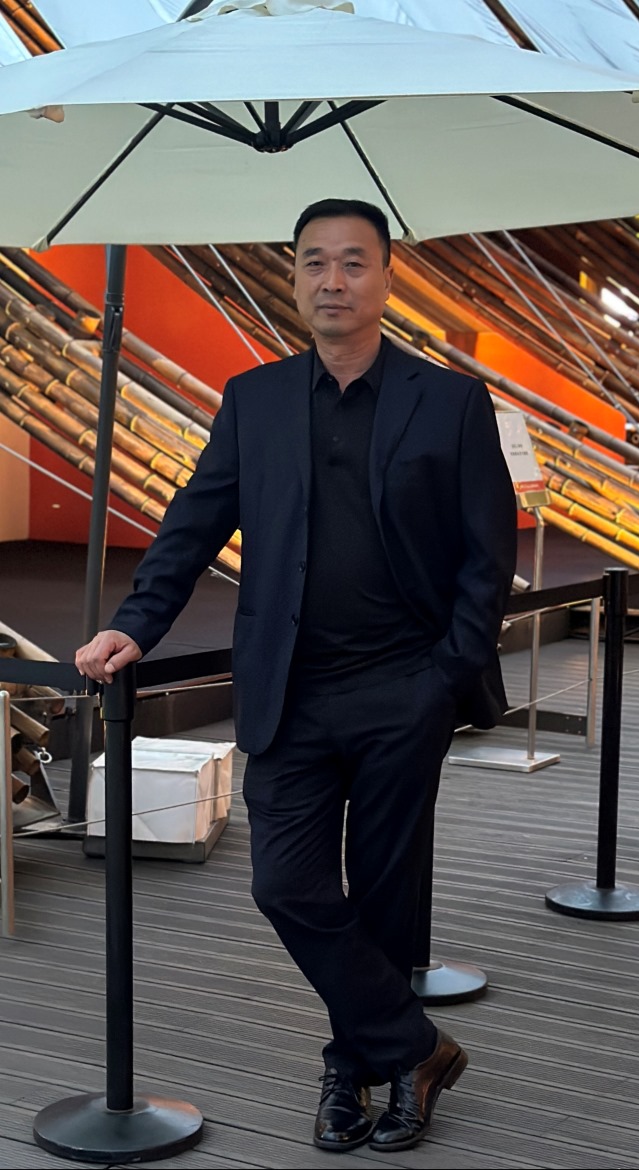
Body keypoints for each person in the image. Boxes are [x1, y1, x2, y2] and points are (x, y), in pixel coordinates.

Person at [76, 198, 517, 1153]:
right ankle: (414, 1048)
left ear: (386, 276)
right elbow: (194, 522)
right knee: (285, 883)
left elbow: (487, 557)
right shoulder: (256, 399)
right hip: (291, 691)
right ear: (294, 277)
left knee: (390, 891)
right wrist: (133, 626)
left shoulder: (450, 402)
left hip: (405, 687)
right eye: (314, 262)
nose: (332, 280)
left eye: (353, 262)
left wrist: (445, 677)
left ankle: (359, 1070)